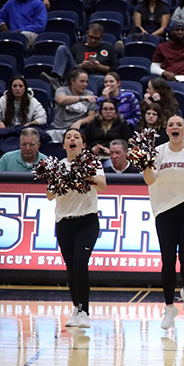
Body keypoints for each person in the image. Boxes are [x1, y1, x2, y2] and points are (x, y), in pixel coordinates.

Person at [142, 115, 184, 330]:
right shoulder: (158, 152)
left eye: (179, 124)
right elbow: (150, 180)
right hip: (164, 210)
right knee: (167, 259)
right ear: (167, 130)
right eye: (171, 125)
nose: (175, 127)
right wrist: (144, 163)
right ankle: (169, 308)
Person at [49, 129, 107, 329]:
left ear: (83, 144)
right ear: (64, 145)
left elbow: (102, 185)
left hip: (87, 221)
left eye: (76, 137)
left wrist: (82, 174)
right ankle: (76, 308)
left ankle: (84, 311)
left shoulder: (92, 163)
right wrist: (63, 180)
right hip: (64, 222)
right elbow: (49, 194)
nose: (72, 140)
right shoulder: (57, 166)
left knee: (81, 264)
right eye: (68, 138)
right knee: (71, 268)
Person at [45, 24, 119, 94]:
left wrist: (100, 67)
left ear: (102, 37)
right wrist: (81, 66)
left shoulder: (108, 47)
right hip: (77, 73)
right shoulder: (77, 46)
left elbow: (114, 68)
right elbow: (70, 65)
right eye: (91, 37)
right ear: (87, 34)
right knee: (62, 48)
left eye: (96, 38)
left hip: (97, 77)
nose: (93, 40)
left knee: (109, 81)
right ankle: (57, 79)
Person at [51, 69, 97, 140]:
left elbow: (91, 116)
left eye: (86, 82)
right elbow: (61, 100)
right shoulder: (62, 90)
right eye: (82, 81)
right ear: (72, 81)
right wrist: (82, 98)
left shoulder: (90, 94)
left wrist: (80, 122)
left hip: (78, 129)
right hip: (58, 127)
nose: (85, 84)